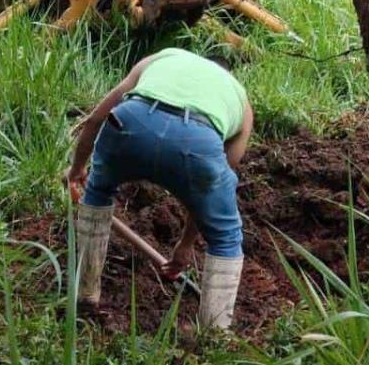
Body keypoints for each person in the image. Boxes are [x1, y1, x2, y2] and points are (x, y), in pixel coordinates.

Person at [65, 47, 253, 329]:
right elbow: (212, 186)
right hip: (198, 144)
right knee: (225, 237)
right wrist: (185, 245)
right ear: (227, 75)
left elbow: (94, 120)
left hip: (132, 122)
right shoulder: (241, 100)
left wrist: (77, 169)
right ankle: (214, 337)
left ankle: (85, 296)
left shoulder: (164, 56)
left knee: (97, 193)